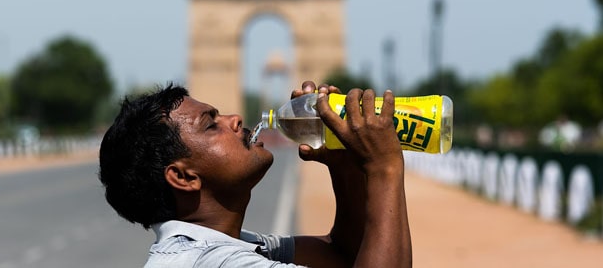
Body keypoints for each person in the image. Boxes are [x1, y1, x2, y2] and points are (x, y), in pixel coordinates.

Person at [98, 80, 412, 267]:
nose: (235, 118)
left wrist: (343, 164)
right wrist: (383, 169)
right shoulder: (212, 262)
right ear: (183, 177)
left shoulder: (222, 246)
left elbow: (341, 256)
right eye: (211, 125)